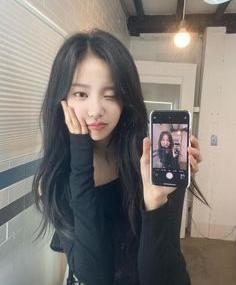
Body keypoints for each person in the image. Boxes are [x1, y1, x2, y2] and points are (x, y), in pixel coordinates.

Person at [33, 29, 204, 285]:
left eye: (110, 95)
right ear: (62, 98)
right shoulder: (56, 176)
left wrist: (155, 200)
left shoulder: (152, 158)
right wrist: (80, 160)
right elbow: (95, 276)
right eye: (81, 94)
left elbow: (158, 275)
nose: (95, 111)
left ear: (125, 100)